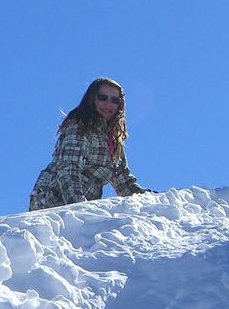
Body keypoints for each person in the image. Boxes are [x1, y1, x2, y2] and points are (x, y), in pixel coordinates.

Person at [29, 77, 148, 210]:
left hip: (80, 206)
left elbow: (123, 181)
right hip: (52, 202)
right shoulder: (80, 125)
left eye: (115, 100)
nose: (108, 103)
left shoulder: (111, 138)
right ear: (92, 99)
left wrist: (151, 200)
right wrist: (79, 205)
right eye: (102, 97)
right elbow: (69, 168)